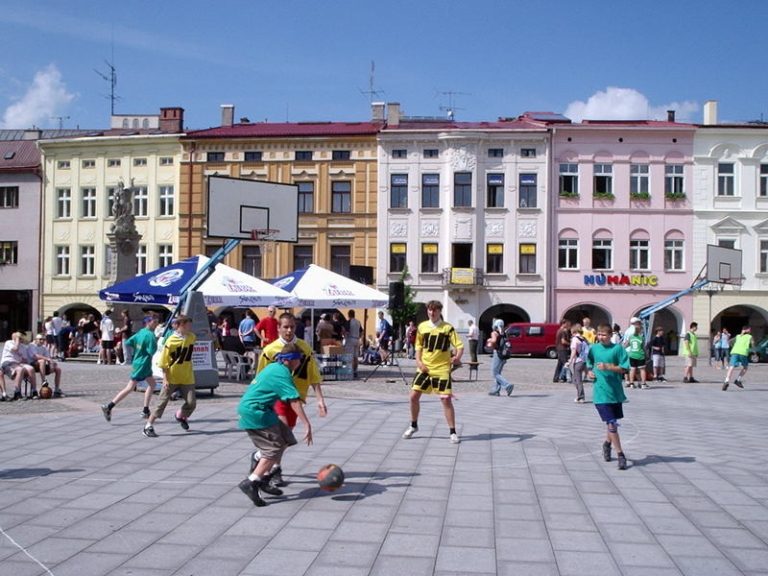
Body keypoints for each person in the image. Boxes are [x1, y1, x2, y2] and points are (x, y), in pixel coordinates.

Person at [254, 312, 327, 487]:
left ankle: (259, 456)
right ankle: (274, 470)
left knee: (286, 437)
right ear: (278, 328)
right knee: (282, 434)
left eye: (292, 327)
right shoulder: (270, 350)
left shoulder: (304, 348)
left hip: (296, 397)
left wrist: (319, 399)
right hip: (276, 397)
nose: (289, 330)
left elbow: (313, 375)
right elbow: (260, 376)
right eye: (285, 327)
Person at [238, 342, 313, 507]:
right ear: (291, 360)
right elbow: (294, 400)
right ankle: (251, 482)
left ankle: (263, 474)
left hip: (264, 410)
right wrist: (307, 424)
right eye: (299, 359)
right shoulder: (282, 373)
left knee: (285, 438)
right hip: (256, 412)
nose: (300, 363)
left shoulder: (276, 368)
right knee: (273, 450)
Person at [402, 300, 464, 444]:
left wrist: (457, 357)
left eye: (435, 310)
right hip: (425, 368)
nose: (432, 312)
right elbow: (418, 347)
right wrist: (419, 362)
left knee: (445, 399)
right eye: (430, 310)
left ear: (439, 311)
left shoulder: (447, 328)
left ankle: (452, 432)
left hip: (442, 368)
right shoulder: (422, 327)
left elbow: (459, 346)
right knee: (413, 396)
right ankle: (413, 425)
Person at [586, 323, 631, 470]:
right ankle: (620, 455)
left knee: (611, 423)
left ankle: (607, 443)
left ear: (610, 335)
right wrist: (589, 372)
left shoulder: (617, 349)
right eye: (598, 334)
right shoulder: (594, 349)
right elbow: (589, 362)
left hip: (615, 392)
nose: (600, 337)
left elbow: (625, 368)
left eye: (603, 335)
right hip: (600, 393)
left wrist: (609, 367)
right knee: (611, 423)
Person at [143, 315, 197, 438]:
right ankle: (148, 426)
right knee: (162, 402)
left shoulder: (192, 337)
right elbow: (163, 363)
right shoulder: (171, 341)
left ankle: (180, 415)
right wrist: (165, 379)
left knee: (191, 403)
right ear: (182, 325)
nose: (191, 327)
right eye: (188, 325)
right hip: (171, 377)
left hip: (187, 377)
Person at [101, 315, 160, 422]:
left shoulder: (140, 332)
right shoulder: (150, 335)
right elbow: (152, 351)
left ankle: (146, 409)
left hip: (139, 362)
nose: (156, 324)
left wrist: (139, 348)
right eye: (154, 322)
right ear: (148, 322)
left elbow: (129, 342)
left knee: (152, 384)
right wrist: (155, 341)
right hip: (143, 364)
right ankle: (109, 406)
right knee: (130, 387)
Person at [1, 332, 37, 400]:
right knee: (20, 369)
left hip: (18, 363)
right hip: (8, 362)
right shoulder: (9, 342)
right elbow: (15, 349)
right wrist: (17, 340)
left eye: (21, 338)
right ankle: (17, 392)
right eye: (19, 338)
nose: (20, 340)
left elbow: (25, 359)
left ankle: (34, 391)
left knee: (31, 369)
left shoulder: (23, 346)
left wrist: (22, 360)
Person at [486, 318, 513, 397]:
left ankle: (507, 385)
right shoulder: (504, 333)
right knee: (498, 373)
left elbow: (494, 341)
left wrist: (489, 340)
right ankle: (496, 390)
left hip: (498, 354)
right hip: (504, 354)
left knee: (494, 373)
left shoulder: (494, 333)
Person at [723, 325, 754, 391]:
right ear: (747, 330)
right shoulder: (750, 336)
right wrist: (750, 348)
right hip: (743, 353)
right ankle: (738, 380)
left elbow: (729, 341)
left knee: (731, 367)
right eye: (750, 329)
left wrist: (735, 346)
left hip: (735, 352)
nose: (750, 331)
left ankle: (726, 381)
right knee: (745, 367)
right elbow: (753, 344)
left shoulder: (738, 336)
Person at [624, 317, 649, 389]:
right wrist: (646, 354)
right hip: (640, 354)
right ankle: (643, 383)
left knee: (632, 369)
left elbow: (625, 344)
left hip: (631, 353)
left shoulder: (628, 331)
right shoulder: (641, 337)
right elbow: (643, 347)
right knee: (642, 369)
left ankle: (631, 383)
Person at [568, 323, 589, 403]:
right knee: (575, 379)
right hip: (584, 360)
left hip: (577, 361)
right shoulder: (583, 338)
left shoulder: (575, 339)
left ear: (574, 331)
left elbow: (573, 351)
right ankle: (579, 396)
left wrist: (570, 361)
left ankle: (581, 397)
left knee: (578, 380)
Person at [552, 319, 572, 383]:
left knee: (560, 364)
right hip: (563, 349)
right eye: (567, 324)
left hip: (559, 348)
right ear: (564, 323)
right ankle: (571, 377)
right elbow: (563, 341)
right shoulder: (563, 331)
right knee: (566, 363)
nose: (568, 325)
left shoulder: (559, 330)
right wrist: (570, 343)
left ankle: (556, 378)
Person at [345, 310, 362, 378]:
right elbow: (361, 332)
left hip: (351, 338)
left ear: (349, 315)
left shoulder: (349, 322)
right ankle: (356, 371)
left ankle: (351, 370)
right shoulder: (358, 322)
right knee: (356, 356)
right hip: (357, 339)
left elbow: (347, 332)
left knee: (350, 356)